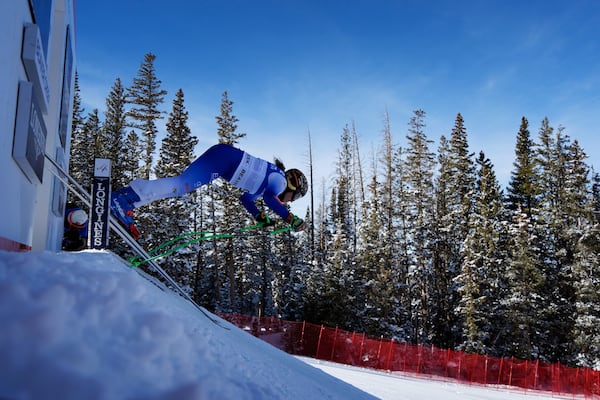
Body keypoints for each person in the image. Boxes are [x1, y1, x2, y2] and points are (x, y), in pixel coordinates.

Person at [110, 143, 308, 239]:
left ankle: (129, 202)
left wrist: (258, 215)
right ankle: (125, 198)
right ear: (292, 183)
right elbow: (270, 199)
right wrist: (290, 218)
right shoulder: (280, 181)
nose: (290, 201)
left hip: (224, 161)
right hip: (224, 160)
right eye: (296, 196)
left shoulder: (268, 185)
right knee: (182, 185)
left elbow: (246, 199)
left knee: (181, 186)